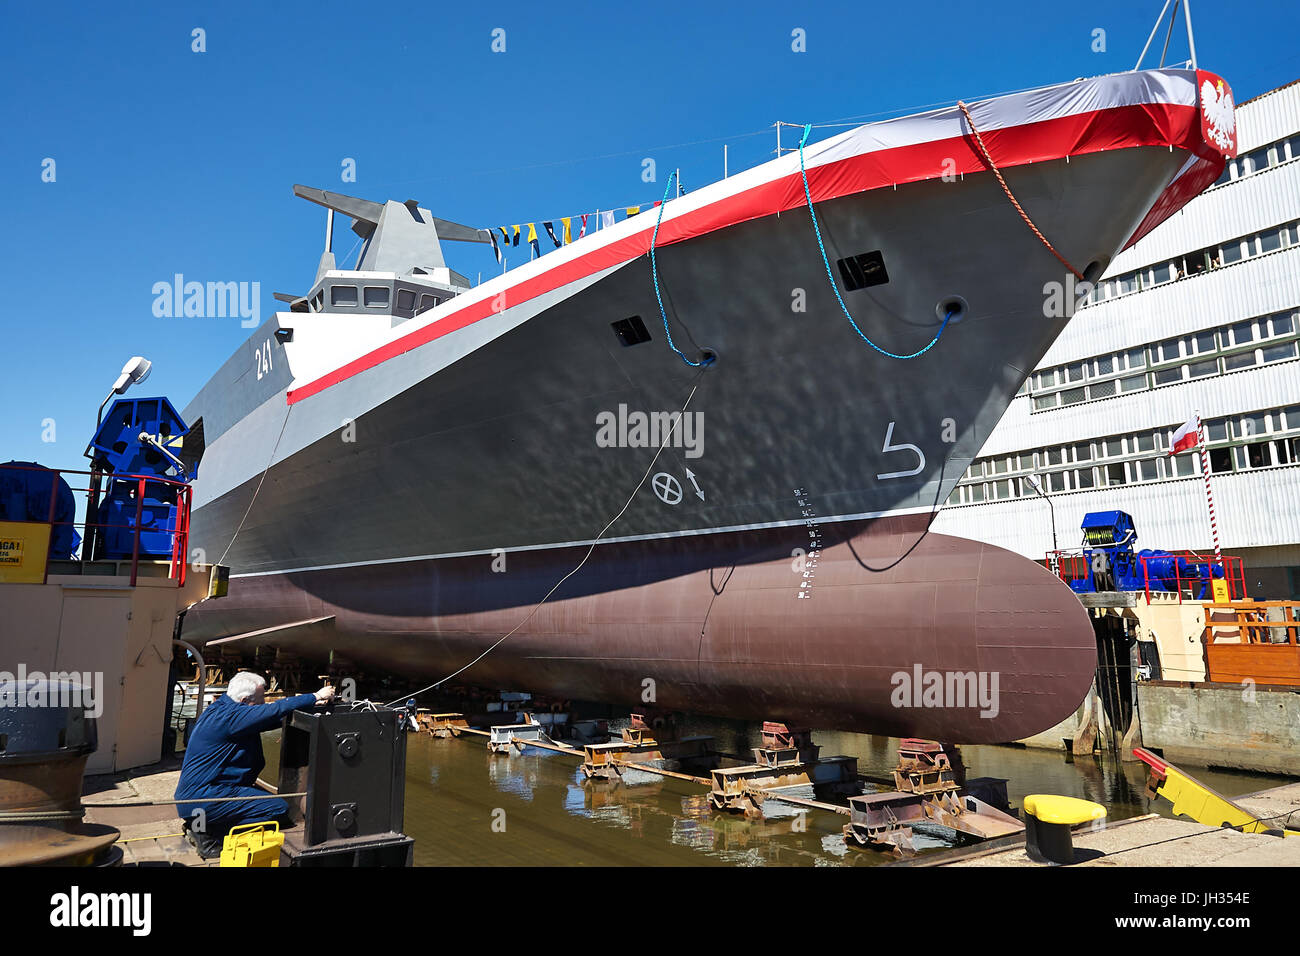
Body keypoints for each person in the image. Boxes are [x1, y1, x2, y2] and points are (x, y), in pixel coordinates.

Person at [176, 672, 334, 858]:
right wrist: (316, 695)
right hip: (205, 797)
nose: (264, 702)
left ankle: (201, 823)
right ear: (244, 700)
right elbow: (274, 709)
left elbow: (267, 717)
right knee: (277, 809)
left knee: (266, 804)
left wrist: (310, 705)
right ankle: (208, 832)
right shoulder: (231, 717)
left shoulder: (221, 708)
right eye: (261, 699)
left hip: (199, 796)